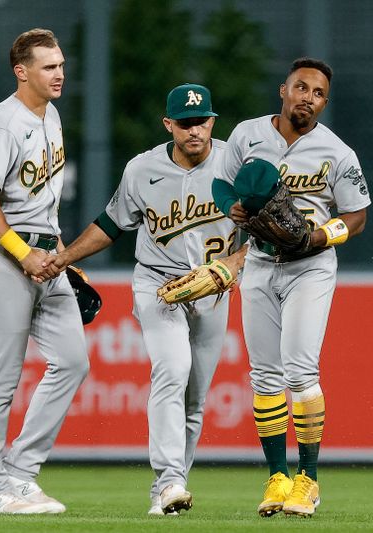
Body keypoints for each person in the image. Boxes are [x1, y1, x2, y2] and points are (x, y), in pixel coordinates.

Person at [42, 84, 247, 516]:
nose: (196, 130)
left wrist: (233, 264)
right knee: (172, 369)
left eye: (203, 121)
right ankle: (171, 480)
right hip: (159, 285)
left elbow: (269, 229)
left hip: (214, 292)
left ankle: (167, 488)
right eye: (186, 123)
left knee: (195, 399)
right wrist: (64, 257)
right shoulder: (142, 169)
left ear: (213, 121)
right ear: (168, 124)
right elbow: (111, 224)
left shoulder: (236, 163)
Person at [211, 57, 371, 518]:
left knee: (300, 371)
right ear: (283, 90)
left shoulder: (337, 152)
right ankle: (277, 477)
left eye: (318, 93)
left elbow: (357, 215)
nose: (309, 97)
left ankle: (309, 480)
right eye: (302, 87)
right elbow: (223, 184)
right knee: (264, 375)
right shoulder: (247, 134)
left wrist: (320, 235)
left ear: (324, 103)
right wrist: (233, 209)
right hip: (260, 261)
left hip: (311, 266)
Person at [0, 28, 89, 514]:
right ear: (22, 71)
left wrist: (62, 256)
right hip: (5, 259)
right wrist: (23, 252)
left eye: (60, 64)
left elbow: (41, 199)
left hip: (45, 259)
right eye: (48, 66)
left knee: (74, 361)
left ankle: (19, 473)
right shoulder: (4, 123)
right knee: (0, 377)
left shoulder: (51, 115)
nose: (59, 73)